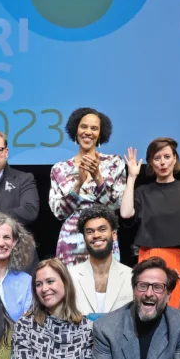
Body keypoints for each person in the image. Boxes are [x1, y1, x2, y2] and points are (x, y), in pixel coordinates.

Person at [120, 139, 180, 308]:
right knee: (149, 306)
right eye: (157, 158)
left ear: (175, 159)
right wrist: (131, 177)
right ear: (151, 163)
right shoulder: (143, 192)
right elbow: (125, 213)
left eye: (167, 156)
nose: (162, 162)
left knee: (178, 309)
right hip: (149, 255)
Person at [48, 108, 126, 265]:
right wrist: (78, 184)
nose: (88, 132)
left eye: (94, 128)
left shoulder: (114, 163)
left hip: (103, 237)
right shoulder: (60, 168)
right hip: (71, 240)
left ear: (100, 134)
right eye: (84, 127)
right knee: (73, 288)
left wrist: (98, 177)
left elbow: (116, 206)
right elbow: (59, 212)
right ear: (75, 130)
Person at [68, 206, 133, 317]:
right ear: (84, 240)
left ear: (114, 235)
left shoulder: (131, 276)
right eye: (90, 232)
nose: (96, 235)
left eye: (102, 229)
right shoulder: (70, 276)